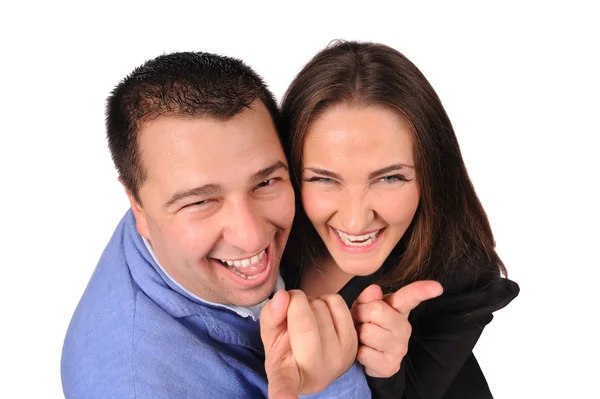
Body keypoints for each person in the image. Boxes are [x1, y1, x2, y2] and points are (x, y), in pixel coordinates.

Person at [60, 51, 372, 399]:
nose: (251, 235)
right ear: (138, 206)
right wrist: (330, 383)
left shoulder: (170, 194)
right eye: (201, 202)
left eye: (266, 182)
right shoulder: (139, 387)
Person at [279, 40, 520, 398]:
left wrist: (386, 372)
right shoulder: (265, 243)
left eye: (390, 178)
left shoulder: (459, 281)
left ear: (430, 176)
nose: (356, 220)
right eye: (324, 179)